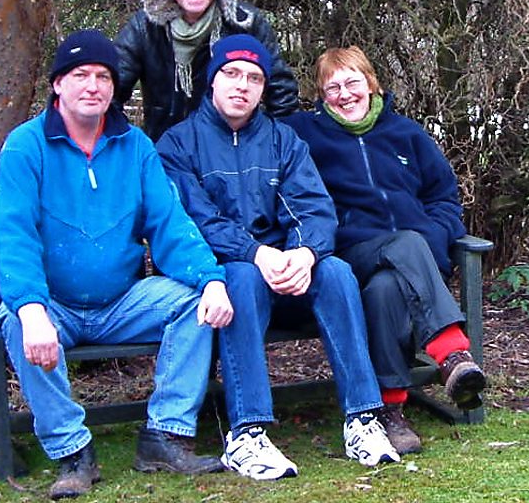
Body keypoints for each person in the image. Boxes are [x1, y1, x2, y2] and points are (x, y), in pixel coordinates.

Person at [0, 29, 235, 500]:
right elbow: (14, 236)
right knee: (16, 321)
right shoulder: (25, 147)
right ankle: (73, 452)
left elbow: (169, 222)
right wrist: (32, 308)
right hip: (54, 304)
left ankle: (165, 435)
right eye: (80, 75)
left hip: (122, 301)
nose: (93, 86)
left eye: (103, 76)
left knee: (194, 305)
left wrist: (210, 279)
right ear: (57, 84)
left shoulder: (135, 146)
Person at [156, 34, 400, 481]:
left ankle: (363, 417)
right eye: (232, 74)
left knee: (336, 271)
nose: (242, 85)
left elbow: (313, 207)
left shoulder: (282, 140)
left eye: (254, 78)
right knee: (241, 278)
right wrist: (255, 253)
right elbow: (194, 220)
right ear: (212, 80)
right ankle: (247, 433)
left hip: (288, 271)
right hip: (226, 277)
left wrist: (304, 253)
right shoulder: (178, 144)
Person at [282, 46, 487, 455]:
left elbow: (444, 198)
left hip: (412, 261)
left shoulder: (406, 133)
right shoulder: (305, 135)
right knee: (401, 248)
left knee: (387, 288)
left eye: (352, 82)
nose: (345, 94)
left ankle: (391, 410)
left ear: (371, 83)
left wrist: (433, 238)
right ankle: (451, 353)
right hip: (349, 254)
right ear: (321, 96)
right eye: (333, 87)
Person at [115, 0, 298, 141]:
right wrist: (128, 144)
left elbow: (282, 93)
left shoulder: (246, 24)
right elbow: (110, 91)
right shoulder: (144, 27)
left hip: (230, 150)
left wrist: (262, 144)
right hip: (162, 149)